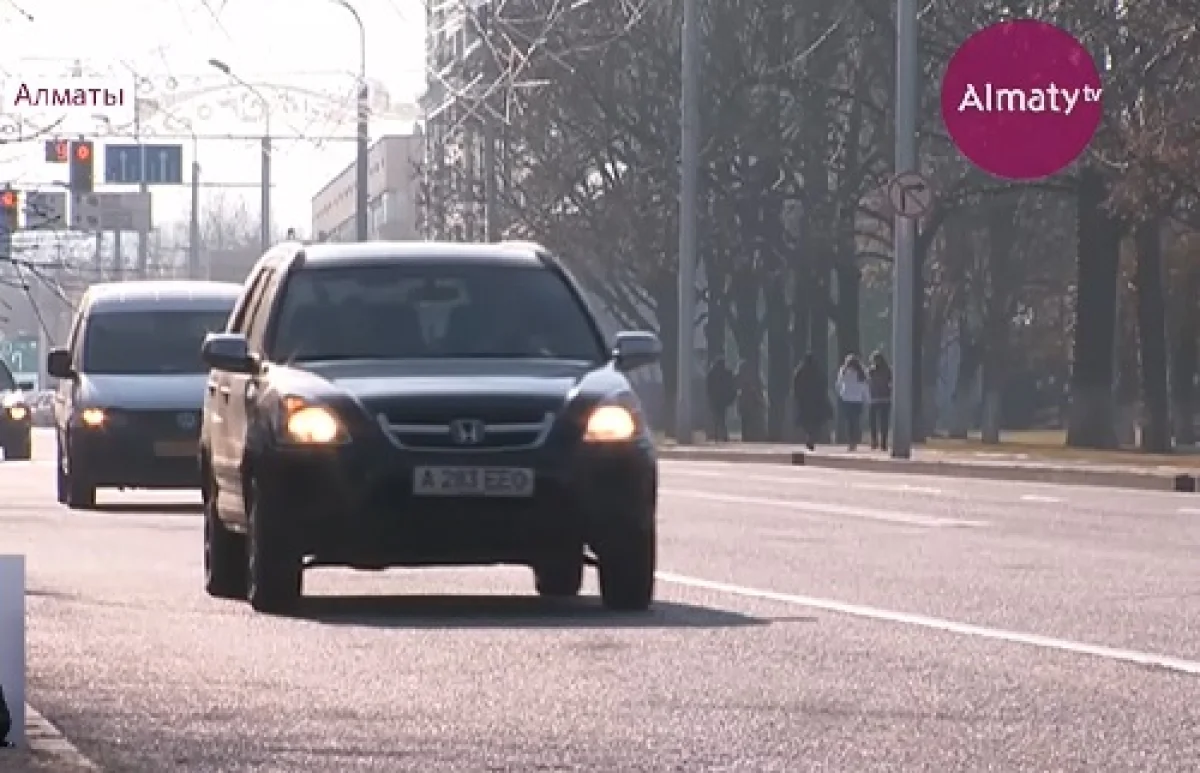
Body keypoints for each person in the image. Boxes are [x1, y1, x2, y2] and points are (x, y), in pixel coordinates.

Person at [792, 353, 830, 451]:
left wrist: (797, 397)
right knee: (816, 422)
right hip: (817, 401)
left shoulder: (800, 372)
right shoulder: (818, 372)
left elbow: (796, 386)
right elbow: (824, 385)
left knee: (807, 422)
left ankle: (810, 437)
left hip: (805, 401)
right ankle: (812, 437)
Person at [835, 353, 869, 451]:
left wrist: (841, 394)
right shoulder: (861, 372)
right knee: (856, 421)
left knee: (850, 422)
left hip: (847, 399)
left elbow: (838, 384)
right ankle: (855, 439)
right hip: (858, 400)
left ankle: (851, 442)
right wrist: (867, 398)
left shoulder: (844, 371)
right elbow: (865, 386)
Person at [867, 350, 893, 450]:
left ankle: (875, 441)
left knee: (873, 422)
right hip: (885, 398)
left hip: (874, 399)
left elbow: (868, 382)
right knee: (884, 422)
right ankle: (883, 442)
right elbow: (891, 383)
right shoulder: (888, 370)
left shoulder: (871, 371)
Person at [705, 357, 736, 441]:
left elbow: (708, 387)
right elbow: (732, 386)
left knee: (717, 417)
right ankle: (721, 435)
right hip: (722, 399)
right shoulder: (727, 374)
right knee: (721, 417)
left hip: (716, 399)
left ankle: (716, 434)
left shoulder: (712, 374)